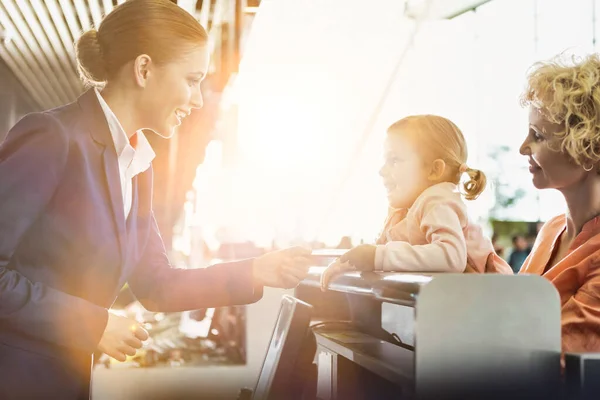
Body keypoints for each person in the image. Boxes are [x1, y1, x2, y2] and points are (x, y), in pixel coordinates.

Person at [0, 1, 311, 398]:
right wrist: (92, 324)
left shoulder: (137, 166)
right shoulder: (53, 136)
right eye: (191, 80)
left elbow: (157, 285)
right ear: (144, 69)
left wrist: (257, 271)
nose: (197, 100)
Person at [321, 115, 512, 289]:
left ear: (434, 170)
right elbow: (375, 251)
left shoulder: (437, 200)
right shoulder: (405, 210)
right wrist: (348, 262)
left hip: (488, 305)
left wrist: (378, 257)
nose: (381, 170)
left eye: (394, 160)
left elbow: (451, 256)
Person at [518, 53, 600, 354]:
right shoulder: (551, 230)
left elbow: (560, 354)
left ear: (588, 147)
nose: (522, 147)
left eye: (537, 135)